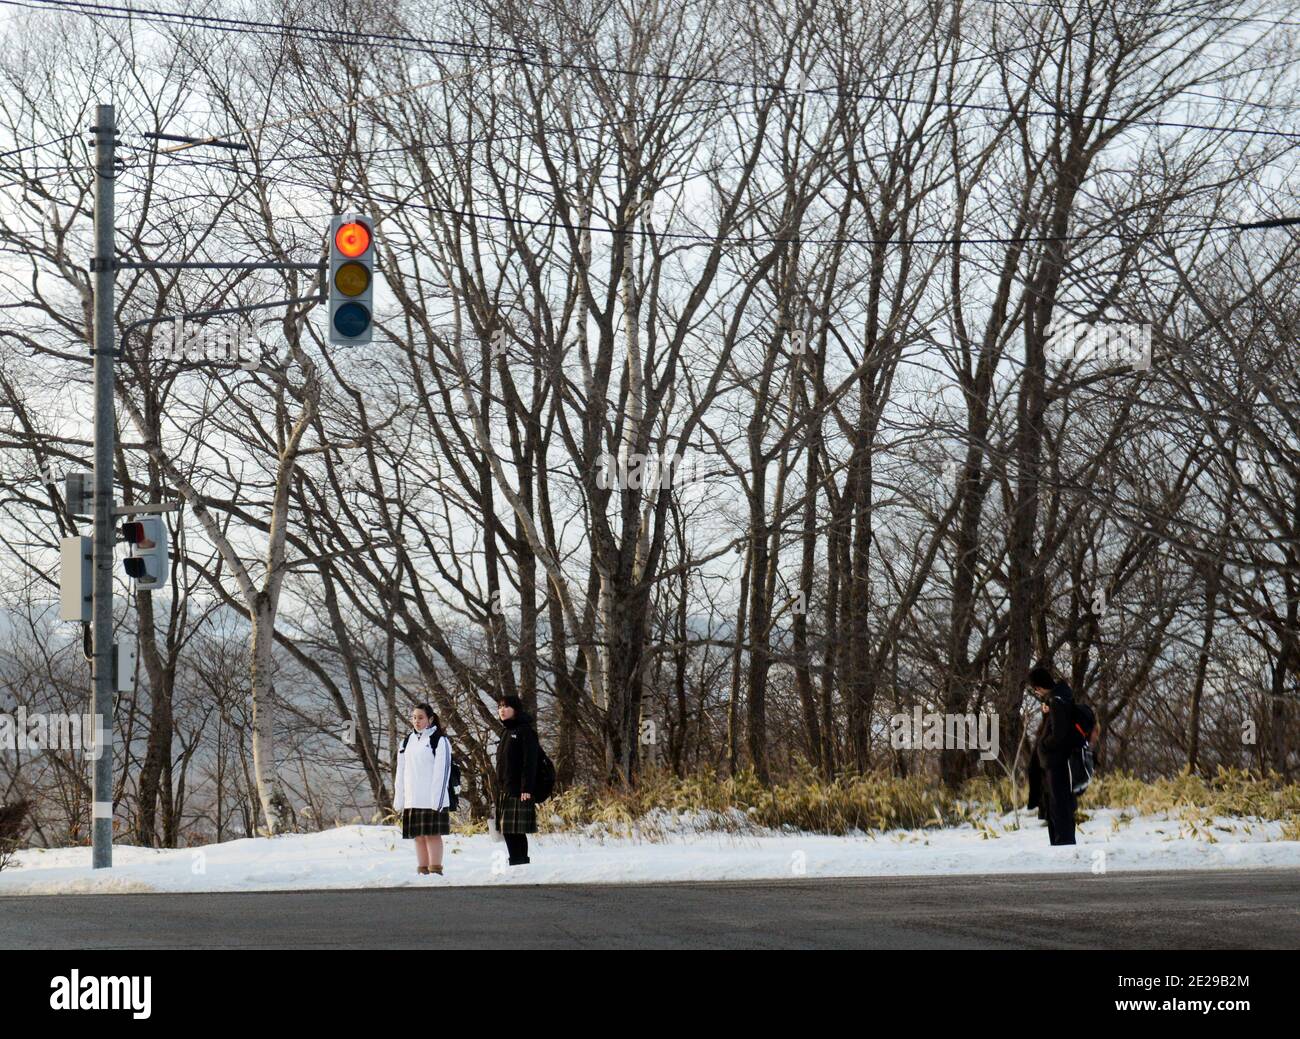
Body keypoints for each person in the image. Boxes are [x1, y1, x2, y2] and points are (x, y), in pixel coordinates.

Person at [393, 703, 453, 875]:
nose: (416, 721)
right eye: (414, 718)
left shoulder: (439, 740)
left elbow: (443, 771)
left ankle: (435, 871)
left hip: (432, 799)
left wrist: (438, 801)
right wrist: (400, 798)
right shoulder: (406, 742)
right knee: (418, 836)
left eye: (420, 717)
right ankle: (422, 871)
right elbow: (401, 771)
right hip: (413, 798)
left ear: (430, 719)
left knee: (433, 835)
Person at [1027, 665, 1080, 846]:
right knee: (1057, 804)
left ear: (1039, 687)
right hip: (1058, 762)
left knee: (1058, 805)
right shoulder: (1059, 698)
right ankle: (1061, 842)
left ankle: (1062, 843)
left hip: (1056, 763)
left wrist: (1043, 745)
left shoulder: (1057, 702)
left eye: (1035, 689)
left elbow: (1058, 733)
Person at [494, 695, 539, 866]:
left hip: (520, 789)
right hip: (505, 788)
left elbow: (530, 762)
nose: (502, 710)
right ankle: (516, 863)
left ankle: (520, 863)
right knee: (508, 829)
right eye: (500, 707)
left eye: (506, 706)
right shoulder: (506, 731)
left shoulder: (525, 730)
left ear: (515, 709)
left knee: (515, 830)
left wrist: (526, 788)